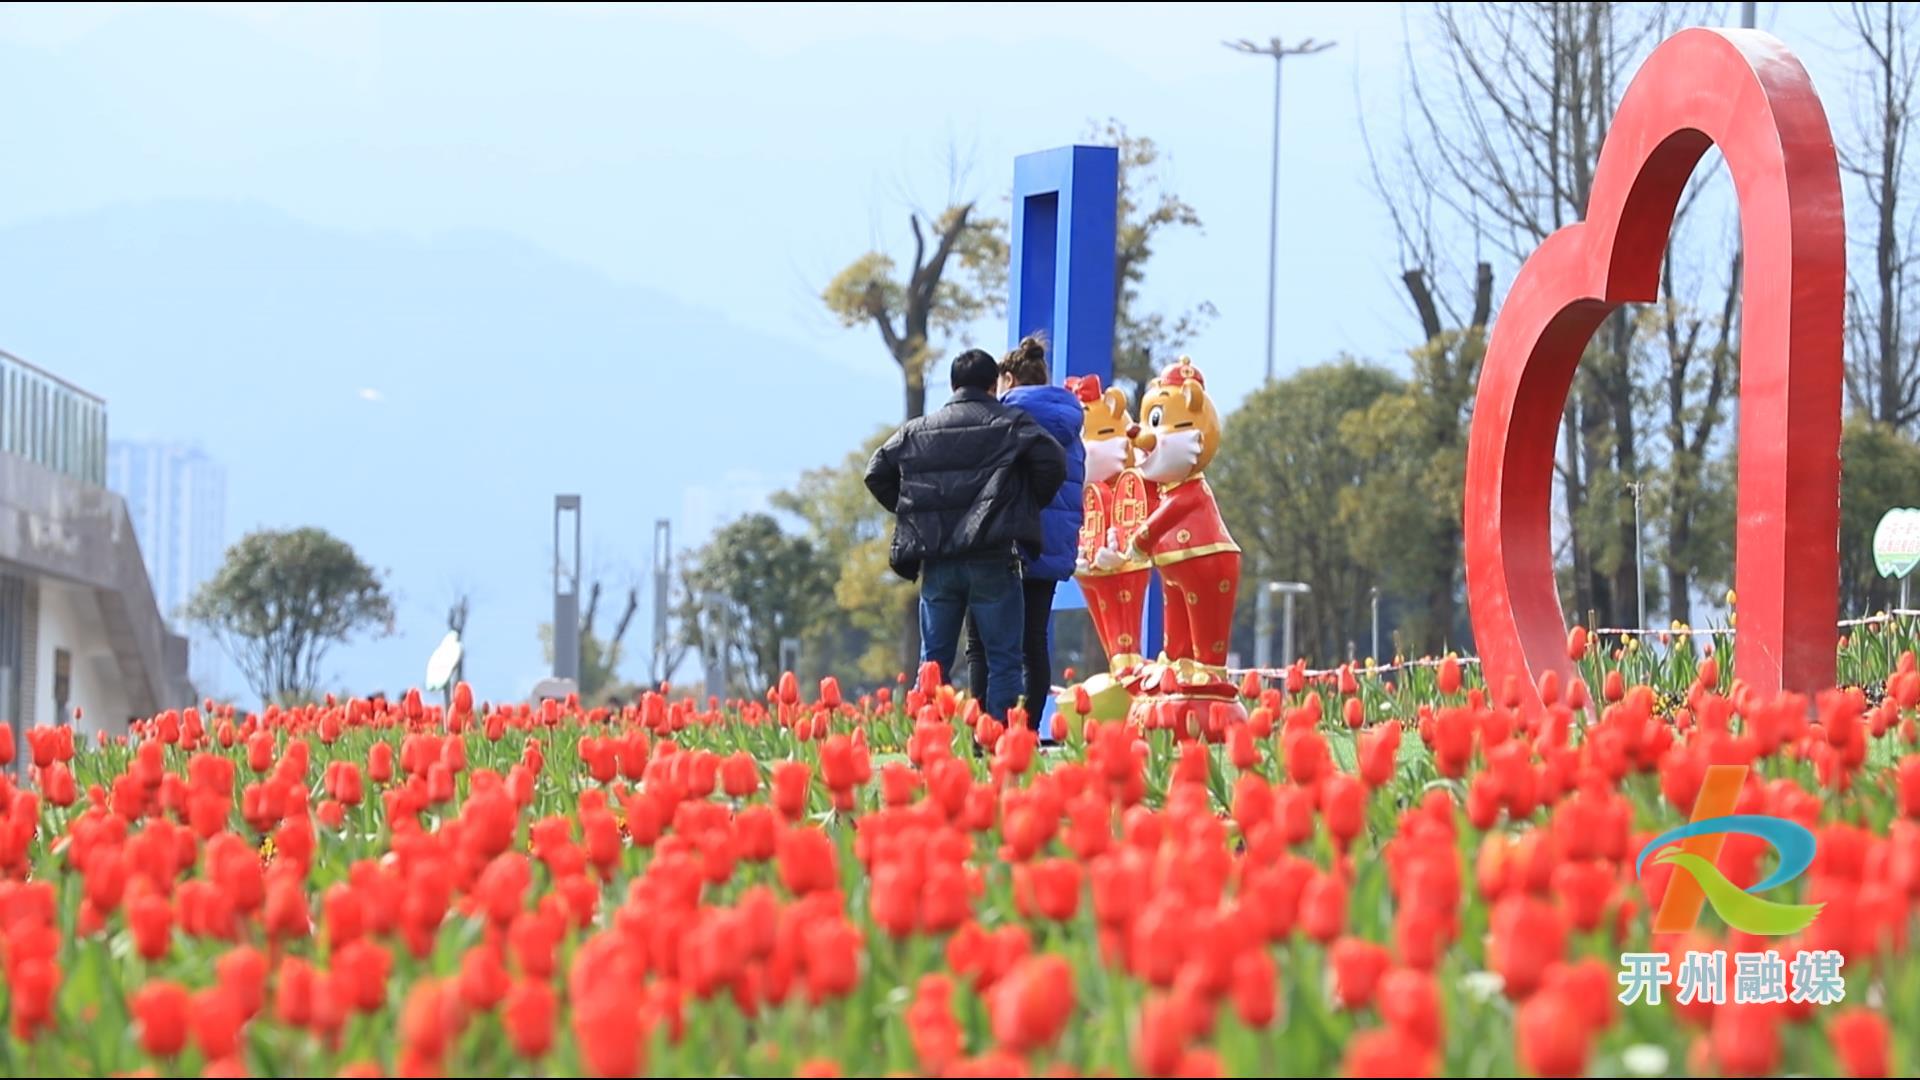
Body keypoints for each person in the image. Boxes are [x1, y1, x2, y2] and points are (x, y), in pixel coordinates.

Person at [864, 348, 1068, 720]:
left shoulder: (917, 429)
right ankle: (998, 749)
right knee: (1005, 658)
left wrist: (914, 510)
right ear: (994, 386)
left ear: (954, 385)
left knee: (933, 662)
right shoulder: (1011, 424)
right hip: (992, 556)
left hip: (938, 561)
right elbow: (1053, 461)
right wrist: (1022, 505)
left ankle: (928, 746)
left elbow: (876, 471)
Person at [961, 335, 1085, 732]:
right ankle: (1028, 731)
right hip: (1051, 546)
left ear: (1008, 379)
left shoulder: (1003, 419)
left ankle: (987, 728)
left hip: (1005, 543)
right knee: (1034, 641)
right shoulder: (1071, 424)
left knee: (984, 642)